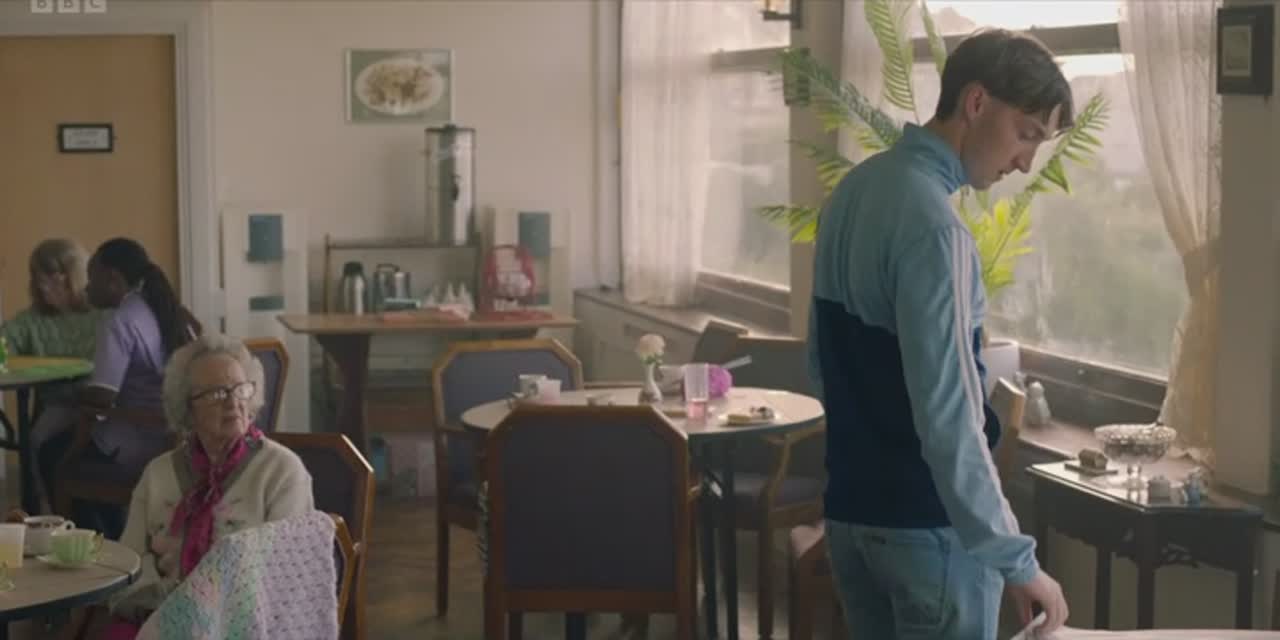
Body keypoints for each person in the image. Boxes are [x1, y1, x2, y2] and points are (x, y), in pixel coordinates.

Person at [808, 29, 1072, 638]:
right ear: (976, 102)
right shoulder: (935, 227)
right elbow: (950, 414)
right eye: (1026, 133)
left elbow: (821, 362)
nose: (1025, 162)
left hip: (850, 518)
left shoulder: (854, 190)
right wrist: (1015, 559)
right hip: (927, 532)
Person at [100, 333, 314, 639]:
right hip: (158, 612)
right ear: (187, 409)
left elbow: (285, 573)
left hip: (245, 622)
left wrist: (204, 612)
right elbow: (129, 559)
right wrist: (166, 607)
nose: (233, 402)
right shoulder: (158, 473)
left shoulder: (281, 471)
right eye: (216, 393)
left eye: (240, 389)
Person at [40, 238, 201, 538]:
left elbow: (102, 396)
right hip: (177, 436)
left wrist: (70, 394)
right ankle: (117, 536)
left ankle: (92, 543)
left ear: (113, 279)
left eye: (92, 279)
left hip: (138, 441)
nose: (87, 289)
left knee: (51, 454)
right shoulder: (168, 310)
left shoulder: (120, 320)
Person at [0, 239, 104, 509]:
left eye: (52, 277)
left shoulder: (100, 315)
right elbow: (6, 340)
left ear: (73, 277)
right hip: (58, 403)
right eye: (37, 277)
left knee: (42, 440)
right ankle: (42, 508)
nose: (43, 285)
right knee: (34, 441)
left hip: (95, 402)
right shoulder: (33, 319)